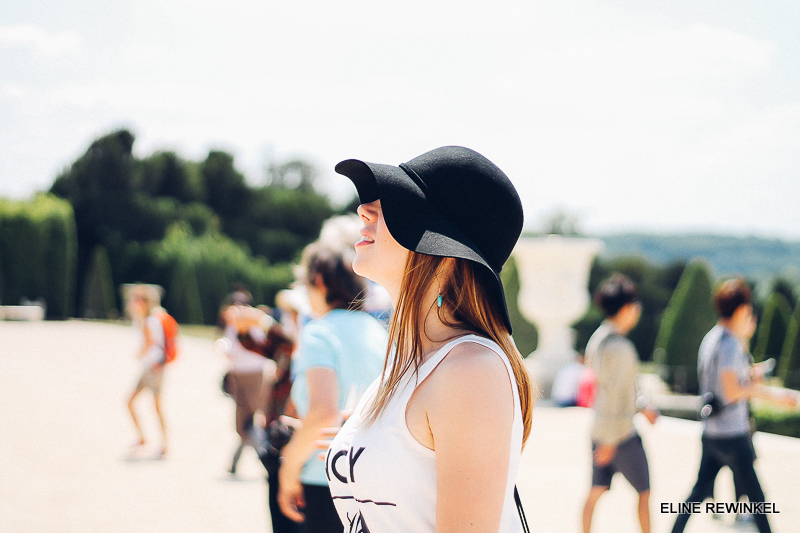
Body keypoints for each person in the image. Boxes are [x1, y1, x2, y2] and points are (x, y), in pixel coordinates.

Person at [325, 146, 535, 532]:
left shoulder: (471, 371)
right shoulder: (404, 367)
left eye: (396, 205)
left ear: (446, 252)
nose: (365, 209)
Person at [671, 278, 798, 533]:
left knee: (697, 494)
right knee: (758, 500)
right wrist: (774, 395)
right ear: (740, 310)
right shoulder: (730, 344)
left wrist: (748, 377)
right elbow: (731, 392)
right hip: (732, 433)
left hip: (711, 432)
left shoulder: (712, 338)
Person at [277, 243, 387, 533]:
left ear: (320, 281)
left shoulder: (319, 332)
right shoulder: (379, 333)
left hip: (324, 478)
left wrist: (287, 469)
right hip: (372, 481)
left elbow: (323, 415)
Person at [581, 274, 658, 533]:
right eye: (634, 304)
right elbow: (618, 395)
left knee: (595, 492)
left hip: (599, 426)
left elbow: (614, 388)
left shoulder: (598, 339)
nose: (637, 310)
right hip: (620, 433)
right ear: (625, 309)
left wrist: (642, 405)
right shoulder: (622, 347)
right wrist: (612, 440)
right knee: (644, 493)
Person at [126, 284, 171, 457]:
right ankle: (143, 437)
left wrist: (138, 355)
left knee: (157, 407)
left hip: (155, 369)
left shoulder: (148, 320)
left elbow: (148, 344)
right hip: (149, 368)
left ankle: (165, 444)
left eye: (138, 299)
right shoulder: (146, 319)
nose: (133, 302)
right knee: (131, 402)